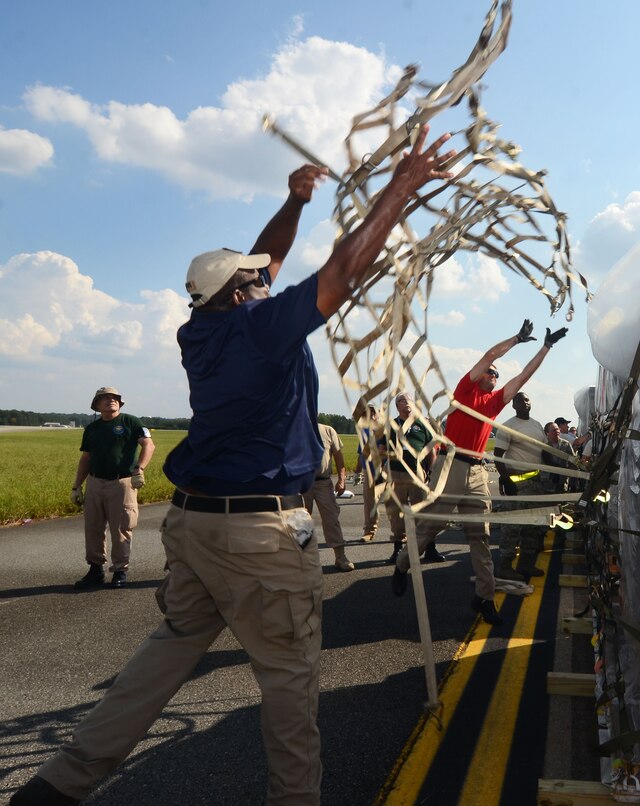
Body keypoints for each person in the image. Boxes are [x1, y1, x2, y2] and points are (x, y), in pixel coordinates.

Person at [11, 127, 453, 806]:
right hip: (259, 541)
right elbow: (339, 272)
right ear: (244, 295)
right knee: (289, 686)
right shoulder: (261, 328)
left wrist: (296, 201)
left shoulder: (205, 327)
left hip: (196, 530)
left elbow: (264, 261)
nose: (267, 277)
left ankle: (58, 788)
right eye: (257, 279)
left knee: (162, 660)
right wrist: (403, 185)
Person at [390, 320, 567, 625]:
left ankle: (483, 598)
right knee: (432, 527)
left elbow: (523, 377)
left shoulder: (495, 404)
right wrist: (516, 338)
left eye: (498, 375)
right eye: (492, 372)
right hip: (451, 466)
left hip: (477, 472)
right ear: (481, 375)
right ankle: (402, 564)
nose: (495, 376)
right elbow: (488, 356)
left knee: (480, 537)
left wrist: (546, 347)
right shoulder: (465, 390)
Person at [69, 386, 156, 590]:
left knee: (121, 527)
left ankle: (120, 570)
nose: (111, 400)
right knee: (93, 527)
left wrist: (139, 469)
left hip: (122, 482)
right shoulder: (92, 429)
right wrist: (76, 486)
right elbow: (86, 458)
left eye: (114, 398)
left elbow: (148, 445)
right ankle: (95, 569)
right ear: (97, 405)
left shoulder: (130, 422)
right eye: (105, 398)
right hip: (95, 482)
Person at [382, 393, 442, 564]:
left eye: (408, 400)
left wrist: (432, 472)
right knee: (396, 513)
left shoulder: (422, 424)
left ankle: (430, 548)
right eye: (401, 401)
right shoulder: (391, 425)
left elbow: (431, 450)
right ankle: (398, 549)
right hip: (395, 474)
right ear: (397, 407)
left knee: (423, 511)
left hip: (417, 475)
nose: (405, 403)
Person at [493, 391, 547, 582]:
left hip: (535, 482)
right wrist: (505, 479)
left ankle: (526, 564)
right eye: (519, 400)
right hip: (517, 482)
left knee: (532, 525)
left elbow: (543, 452)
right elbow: (498, 455)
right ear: (513, 405)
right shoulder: (508, 427)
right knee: (512, 526)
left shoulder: (537, 425)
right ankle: (505, 567)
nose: (524, 402)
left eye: (526, 399)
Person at [303, 422, 353, 572]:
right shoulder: (294, 425)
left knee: (332, 519)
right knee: (300, 522)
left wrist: (342, 479)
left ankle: (340, 557)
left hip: (323, 483)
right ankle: (301, 560)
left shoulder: (328, 430)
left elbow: (338, 457)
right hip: (301, 484)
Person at [353, 405, 380, 543]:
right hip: (369, 472)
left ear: (377, 415)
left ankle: (401, 533)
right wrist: (357, 472)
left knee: (394, 503)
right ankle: (369, 531)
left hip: (386, 472)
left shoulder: (385, 430)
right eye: (364, 413)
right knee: (370, 503)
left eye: (371, 413)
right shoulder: (363, 431)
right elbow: (361, 454)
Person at [542, 420, 577, 493]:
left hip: (562, 482)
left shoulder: (565, 444)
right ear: (547, 433)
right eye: (554, 430)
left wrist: (573, 482)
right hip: (547, 484)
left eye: (557, 429)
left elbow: (573, 463)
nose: (557, 431)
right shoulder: (544, 447)